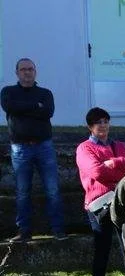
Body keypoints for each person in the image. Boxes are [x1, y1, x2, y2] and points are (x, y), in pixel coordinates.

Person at [76, 107, 125, 276]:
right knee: (102, 252)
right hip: (99, 206)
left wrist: (114, 163)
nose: (102, 125)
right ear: (89, 126)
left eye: (105, 121)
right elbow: (96, 172)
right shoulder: (84, 148)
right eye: (97, 122)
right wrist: (116, 172)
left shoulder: (119, 146)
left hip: (123, 203)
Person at [1, 58, 66, 242]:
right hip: (20, 149)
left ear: (35, 72)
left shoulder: (45, 93)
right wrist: (35, 106)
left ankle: (58, 229)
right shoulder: (8, 92)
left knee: (52, 189)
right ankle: (24, 231)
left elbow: (48, 112)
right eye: (23, 69)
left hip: (44, 146)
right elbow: (9, 107)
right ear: (17, 72)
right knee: (22, 191)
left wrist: (23, 109)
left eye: (30, 69)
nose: (27, 72)